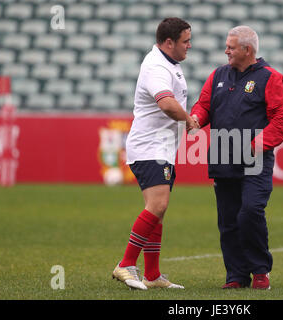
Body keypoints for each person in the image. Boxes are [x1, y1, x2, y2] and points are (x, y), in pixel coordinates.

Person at [190, 26, 283, 290]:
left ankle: (260, 271)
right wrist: (197, 118)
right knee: (228, 220)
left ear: (247, 50)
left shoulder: (270, 78)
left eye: (231, 47)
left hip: (255, 159)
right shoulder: (218, 75)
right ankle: (235, 276)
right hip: (222, 154)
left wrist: (257, 144)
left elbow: (281, 121)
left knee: (250, 212)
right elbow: (204, 105)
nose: (226, 51)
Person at [112, 17, 198, 290]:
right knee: (157, 206)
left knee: (158, 211)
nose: (189, 45)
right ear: (169, 42)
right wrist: (188, 119)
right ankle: (125, 264)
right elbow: (167, 105)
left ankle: (152, 275)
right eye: (185, 41)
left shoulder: (169, 64)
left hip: (160, 148)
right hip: (150, 148)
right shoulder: (156, 67)